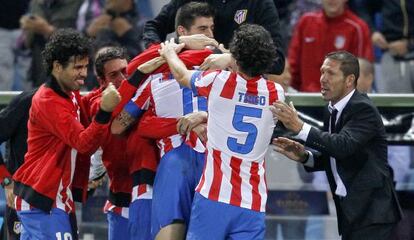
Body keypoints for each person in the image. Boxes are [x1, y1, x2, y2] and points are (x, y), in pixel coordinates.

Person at [158, 23, 285, 239]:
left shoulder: (218, 81)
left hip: (213, 196)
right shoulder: (276, 93)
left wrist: (170, 53)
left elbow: (181, 75)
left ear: (236, 56)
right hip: (252, 201)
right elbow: (248, 110)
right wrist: (230, 59)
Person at [112, 3, 217, 239]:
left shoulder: (223, 70)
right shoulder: (155, 78)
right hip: (175, 163)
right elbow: (118, 124)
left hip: (215, 163)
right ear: (182, 32)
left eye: (212, 28)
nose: (210, 35)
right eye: (203, 28)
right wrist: (162, 124)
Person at [272, 51, 402, 239]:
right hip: (351, 212)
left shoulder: (363, 108)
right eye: (322, 72)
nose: (323, 79)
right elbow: (335, 155)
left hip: (372, 214)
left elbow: (343, 145)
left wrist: (300, 127)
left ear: (349, 80)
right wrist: (304, 156)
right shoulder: (332, 109)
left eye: (330, 73)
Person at [11, 29, 121, 239]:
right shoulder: (49, 101)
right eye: (77, 67)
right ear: (57, 67)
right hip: (43, 200)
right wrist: (105, 110)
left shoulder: (68, 92)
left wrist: (113, 87)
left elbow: (86, 107)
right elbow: (84, 144)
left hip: (51, 197)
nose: (83, 74)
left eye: (86, 67)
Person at [142, 0, 285, 74]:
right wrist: (178, 43)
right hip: (189, 81)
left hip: (236, 87)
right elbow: (152, 28)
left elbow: (277, 61)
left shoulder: (260, 4)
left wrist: (233, 59)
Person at [288, 0, 374, 92]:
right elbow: (293, 65)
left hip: (341, 101)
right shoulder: (306, 22)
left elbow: (361, 73)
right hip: (306, 97)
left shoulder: (358, 28)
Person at [357, 0, 414, 93]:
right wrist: (372, 31)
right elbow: (361, 7)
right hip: (391, 53)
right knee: (395, 103)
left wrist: (409, 45)